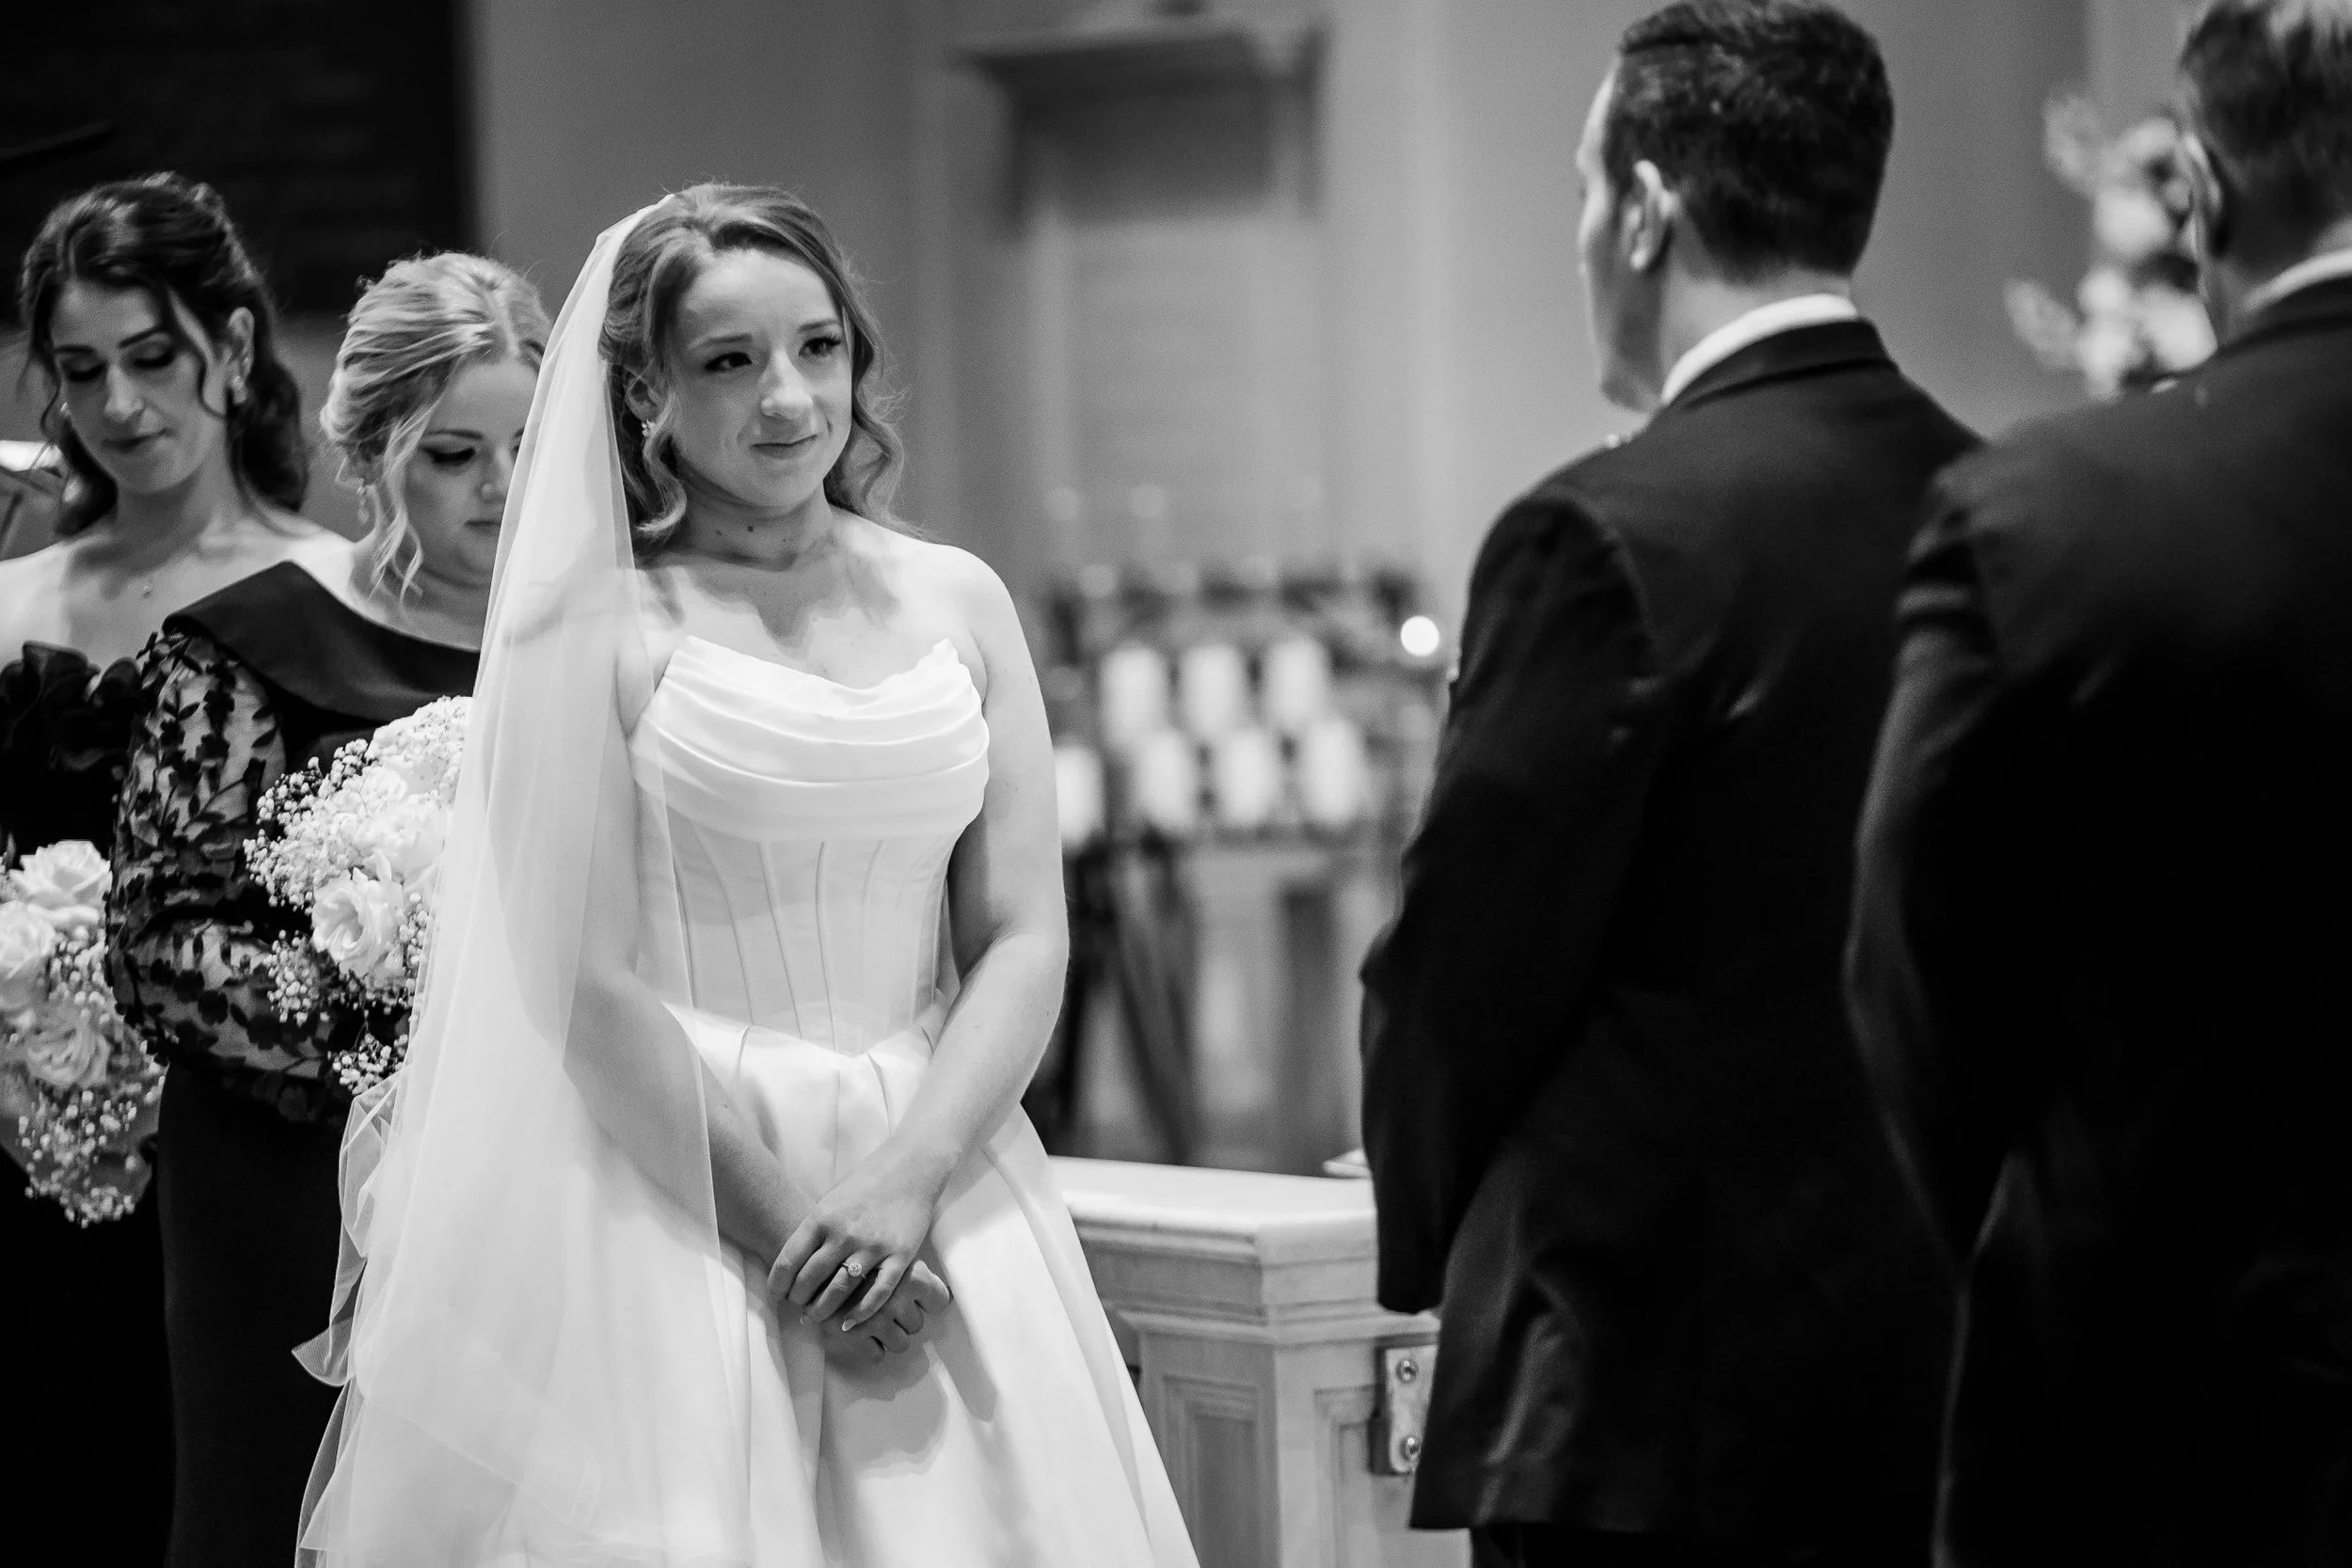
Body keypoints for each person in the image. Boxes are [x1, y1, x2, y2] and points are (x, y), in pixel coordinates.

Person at [295, 185, 1199, 1566]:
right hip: (681, 1187)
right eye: (731, 362)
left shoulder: (960, 598)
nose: (788, 398)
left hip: (943, 1161)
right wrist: (794, 1239)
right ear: (646, 391)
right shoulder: (585, 627)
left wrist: (908, 1179)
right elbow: (582, 991)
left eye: (819, 348)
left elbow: (1022, 935)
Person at [1357, 6, 1976, 1565]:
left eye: (1582, 191)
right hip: (1934, 1375)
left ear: (1643, 209)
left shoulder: (1605, 535)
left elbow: (1465, 965)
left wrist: (1417, 1219)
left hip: (1645, 1391)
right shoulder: (2002, 500)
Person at [1847, 4, 2352, 1562]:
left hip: (2146, 1409)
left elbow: (1909, 972)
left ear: (2195, 188)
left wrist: (2060, 1225)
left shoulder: (2047, 520)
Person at [106, 250, 545, 1568]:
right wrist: (391, 1024)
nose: (502, 488)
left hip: (536, 1177)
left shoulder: (589, 645)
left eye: (529, 446)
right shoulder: (245, 641)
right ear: (373, 449)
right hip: (287, 1184)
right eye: (456, 453)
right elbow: (161, 944)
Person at [0, 171, 334, 1560]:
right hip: (22, 1159)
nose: (121, 405)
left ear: (236, 350)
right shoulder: (13, 594)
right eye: (82, 373)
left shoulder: (330, 592)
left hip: (246, 1156)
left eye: (152, 359)